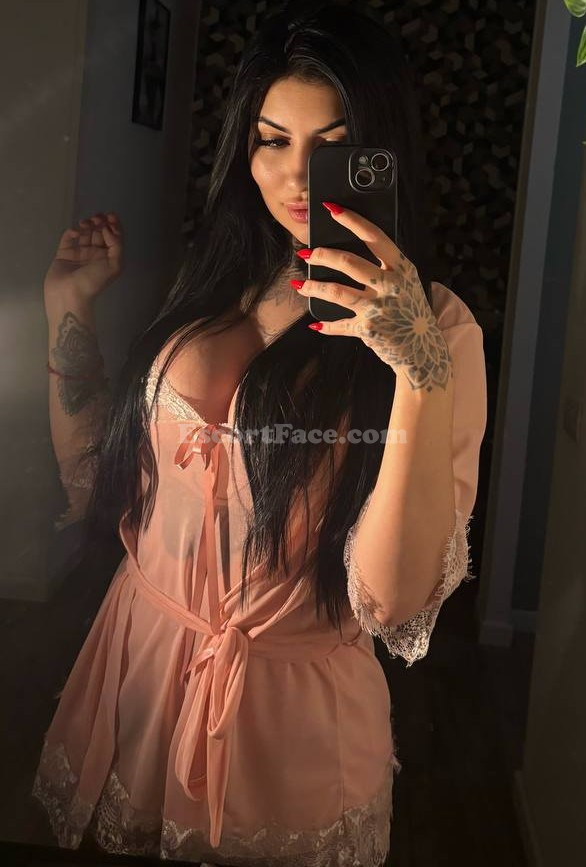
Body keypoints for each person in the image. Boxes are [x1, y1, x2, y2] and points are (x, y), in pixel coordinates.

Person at [32, 2, 487, 864]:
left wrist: (418, 371)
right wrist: (69, 309)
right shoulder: (218, 274)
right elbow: (100, 480)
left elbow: (391, 603)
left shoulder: (440, 328)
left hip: (288, 724)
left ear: (379, 154)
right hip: (138, 666)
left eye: (332, 146)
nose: (295, 175)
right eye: (272, 139)